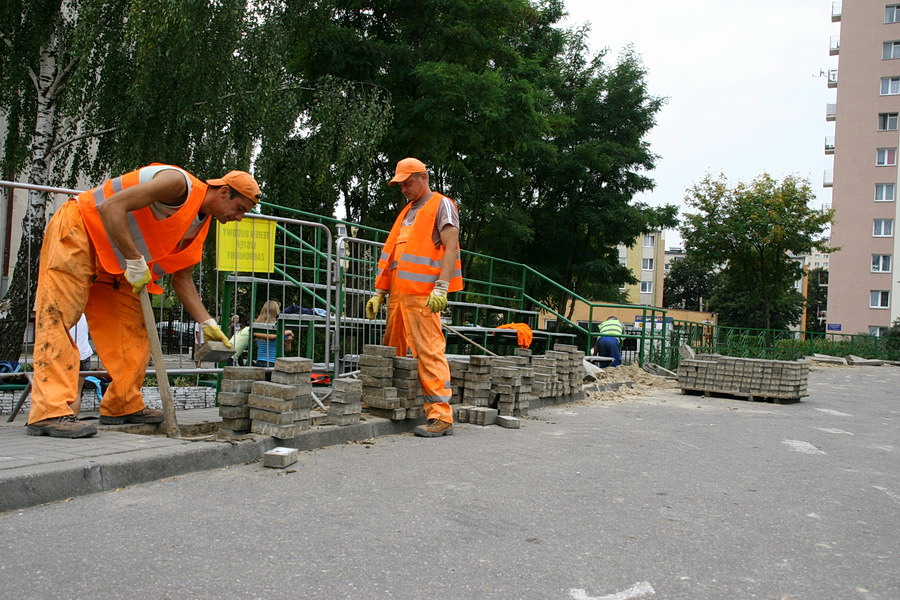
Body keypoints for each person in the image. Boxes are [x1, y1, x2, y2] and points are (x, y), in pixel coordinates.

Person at [26, 164, 259, 438]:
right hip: (80, 232)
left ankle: (122, 405)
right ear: (223, 192)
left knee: (133, 334)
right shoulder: (178, 184)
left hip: (116, 264)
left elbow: (182, 280)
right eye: (240, 208)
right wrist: (135, 261)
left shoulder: (198, 227)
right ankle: (50, 412)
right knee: (58, 320)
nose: (240, 217)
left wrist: (207, 322)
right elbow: (111, 207)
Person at [365, 157, 462, 438]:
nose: (403, 189)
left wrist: (441, 287)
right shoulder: (407, 212)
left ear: (423, 177)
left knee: (429, 354)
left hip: (424, 297)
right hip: (398, 297)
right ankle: (391, 407)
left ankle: (441, 417)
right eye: (400, 185)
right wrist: (380, 292)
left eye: (407, 183)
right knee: (392, 351)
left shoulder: (441, 204)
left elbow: (451, 247)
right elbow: (392, 255)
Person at [252, 300, 294, 367]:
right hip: (274, 363)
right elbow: (287, 349)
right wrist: (288, 332)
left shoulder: (257, 325)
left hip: (260, 362)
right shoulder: (280, 327)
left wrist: (288, 341)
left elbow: (287, 348)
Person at [68, 314, 94, 415]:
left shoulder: (61, 312)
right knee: (76, 392)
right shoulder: (82, 314)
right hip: (83, 354)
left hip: (65, 355)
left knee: (61, 391)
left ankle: (60, 419)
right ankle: (73, 420)